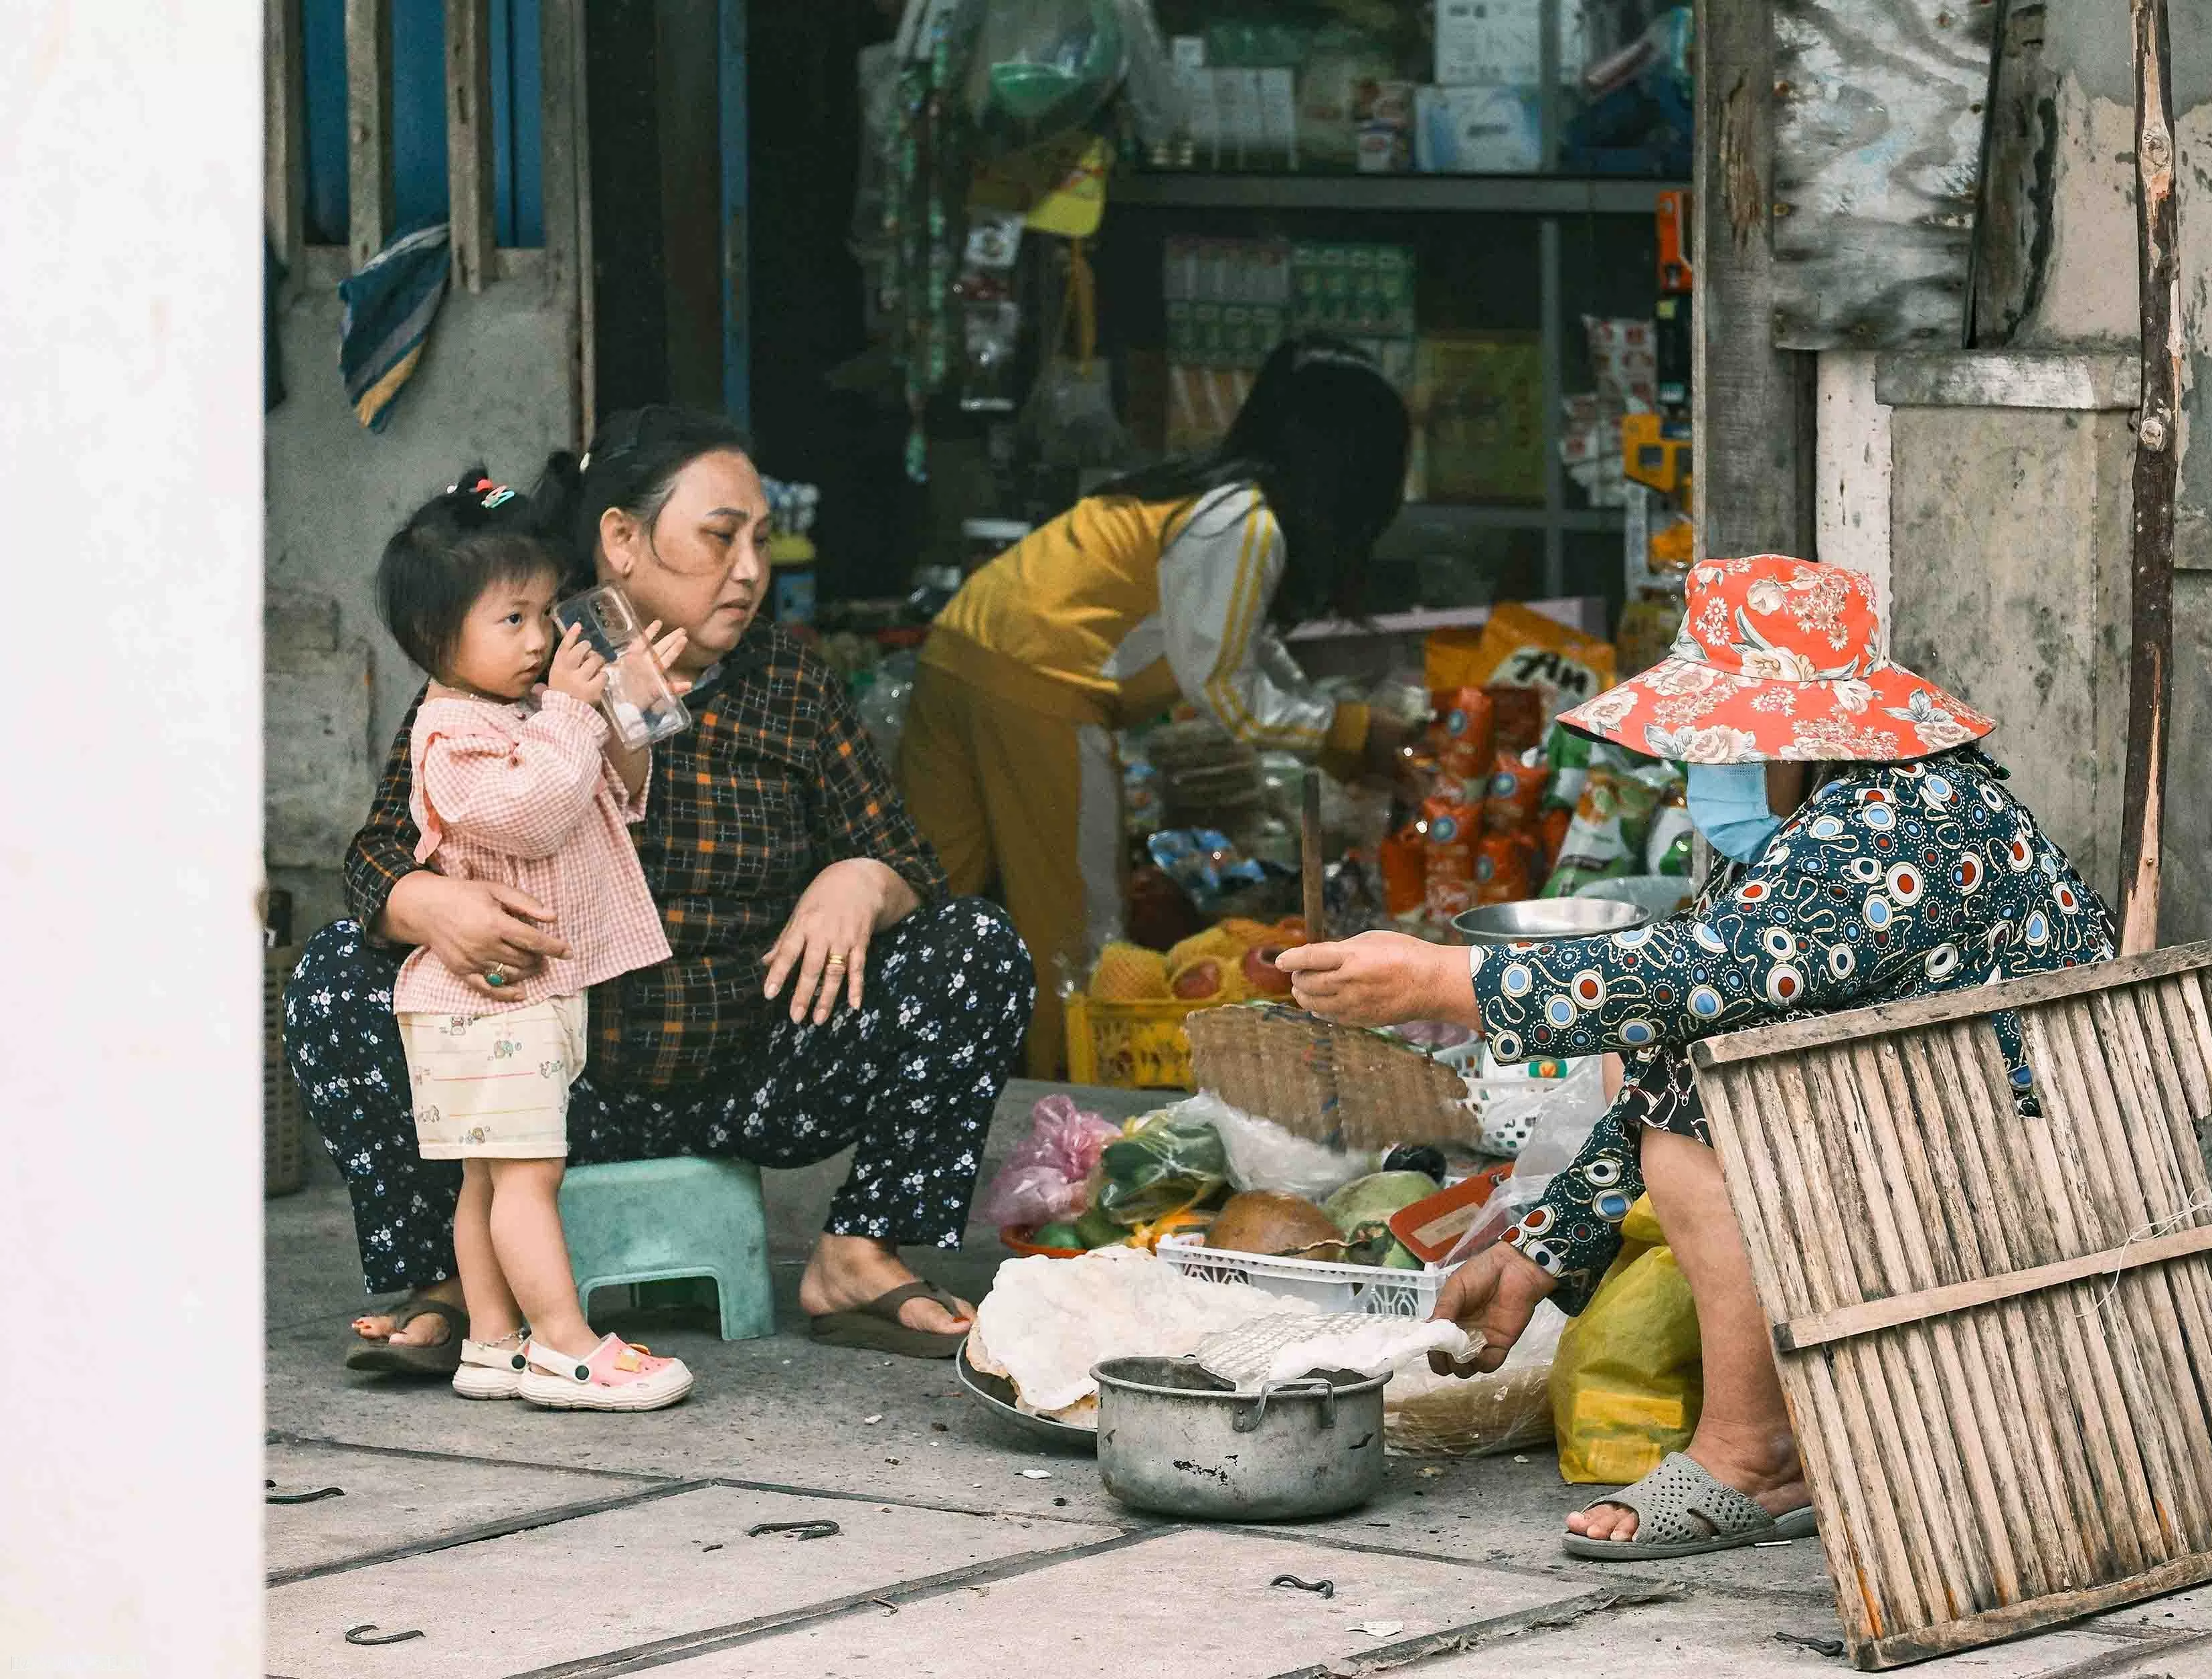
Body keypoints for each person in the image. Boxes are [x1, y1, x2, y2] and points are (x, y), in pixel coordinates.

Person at [1280, 554, 2120, 1559]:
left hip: (2021, 1170)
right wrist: (1533, 1261)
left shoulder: (1902, 824)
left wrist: (1436, 980)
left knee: (1699, 1112)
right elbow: (1673, 1037)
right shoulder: (1848, 813)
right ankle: (1760, 1441)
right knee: (1683, 1067)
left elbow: (1692, 982)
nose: (1709, 765)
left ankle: (1749, 1456)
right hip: (1941, 1128)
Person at [288, 406, 1034, 1374]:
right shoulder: (507, 660)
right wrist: (424, 904)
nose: (751, 569)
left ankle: (855, 1257)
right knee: (336, 975)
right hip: (545, 1082)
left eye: (761, 541)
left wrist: (862, 880)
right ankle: (453, 1279)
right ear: (622, 541)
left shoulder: (788, 681)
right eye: (721, 538)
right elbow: (376, 854)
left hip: (754, 1072)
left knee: (975, 947)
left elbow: (913, 868)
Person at [900, 333, 1417, 1077]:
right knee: (1076, 942)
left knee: (937, 905)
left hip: (957, 653)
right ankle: (1065, 1112)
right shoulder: (1242, 522)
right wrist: (1352, 734)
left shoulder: (1198, 496)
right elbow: (1230, 692)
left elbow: (1237, 645)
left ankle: (919, 1086)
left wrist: (1344, 732)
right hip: (1047, 683)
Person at [373, 471, 695, 1410]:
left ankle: (491, 1341)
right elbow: (537, 814)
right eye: (512, 620)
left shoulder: (518, 717)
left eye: (544, 613)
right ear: (438, 641)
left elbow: (610, 797)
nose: (543, 638)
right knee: (528, 1177)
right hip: (485, 1006)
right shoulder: (449, 735)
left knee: (488, 1177)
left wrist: (622, 712)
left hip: (511, 1000)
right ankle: (565, 1345)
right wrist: (565, 712)